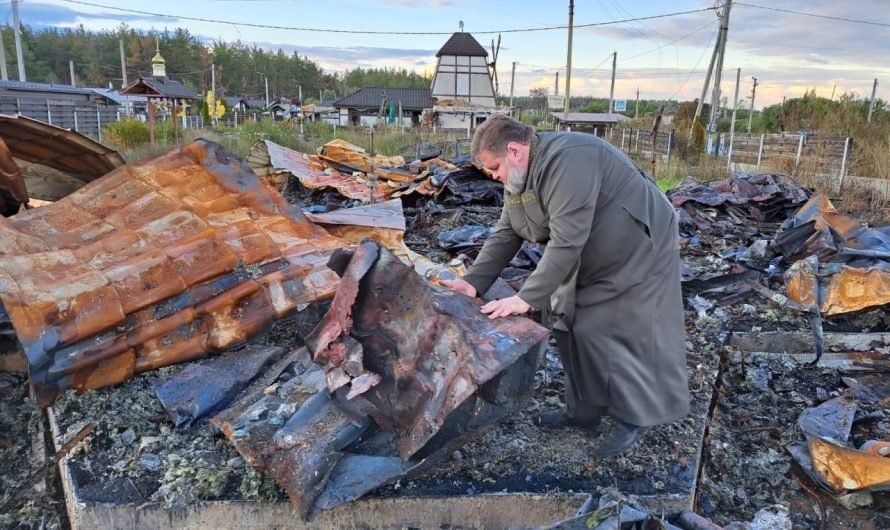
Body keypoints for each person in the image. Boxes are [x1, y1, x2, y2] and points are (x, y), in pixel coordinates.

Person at [442, 115, 689, 458]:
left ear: (514, 151)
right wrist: (472, 283)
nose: (493, 176)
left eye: (494, 167)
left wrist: (525, 298)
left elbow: (567, 241)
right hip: (594, 245)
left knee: (617, 326)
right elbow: (507, 232)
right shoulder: (519, 180)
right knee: (568, 320)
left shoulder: (571, 158)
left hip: (638, 241)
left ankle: (631, 418)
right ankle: (583, 412)